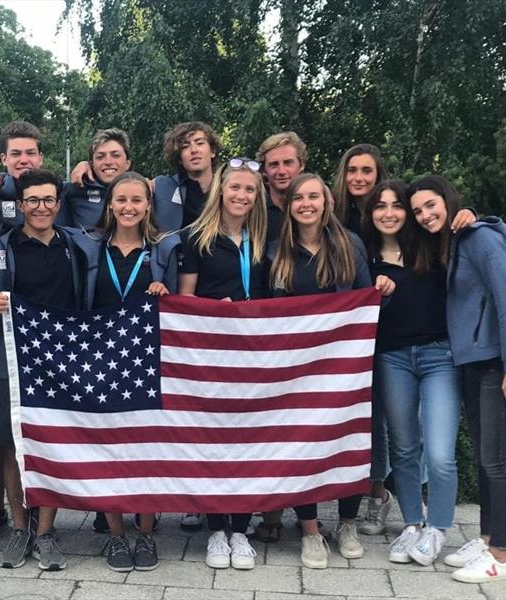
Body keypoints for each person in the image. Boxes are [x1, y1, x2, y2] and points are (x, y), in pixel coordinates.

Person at [265, 173, 395, 569]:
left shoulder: (349, 244)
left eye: (314, 196)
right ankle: (309, 530)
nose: (306, 203)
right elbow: (272, 316)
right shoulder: (278, 252)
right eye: (298, 198)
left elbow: (362, 306)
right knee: (303, 443)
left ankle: (348, 524)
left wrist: (381, 291)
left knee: (346, 442)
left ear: (326, 202)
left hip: (344, 366)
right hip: (298, 369)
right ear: (289, 206)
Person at [406, 175, 506, 584]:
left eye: (430, 205)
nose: (425, 215)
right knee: (483, 455)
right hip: (473, 362)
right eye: (418, 210)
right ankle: (487, 537)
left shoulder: (478, 238)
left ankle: (502, 555)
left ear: (448, 199)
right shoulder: (453, 242)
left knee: (496, 460)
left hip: (499, 363)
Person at [0, 168, 96, 571]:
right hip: (12, 359)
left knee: (52, 444)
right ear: (20, 205)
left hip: (62, 362)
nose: (41, 207)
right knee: (12, 444)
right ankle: (20, 527)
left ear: (58, 205)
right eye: (33, 200)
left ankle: (46, 531)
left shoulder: (75, 247)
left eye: (48, 200)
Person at [362, 180, 463, 566]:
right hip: (393, 358)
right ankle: (411, 523)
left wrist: (475, 218)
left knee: (439, 453)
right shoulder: (366, 257)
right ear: (370, 214)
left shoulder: (432, 245)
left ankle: (437, 527)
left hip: (440, 356)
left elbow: (494, 236)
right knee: (403, 448)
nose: (389, 212)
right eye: (380, 206)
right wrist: (379, 296)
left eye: (397, 205)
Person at [84, 171, 181, 572]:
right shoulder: (90, 247)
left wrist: (166, 296)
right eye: (120, 199)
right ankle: (117, 536)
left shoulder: (164, 250)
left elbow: (182, 307)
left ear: (148, 206)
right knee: (109, 451)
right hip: (102, 362)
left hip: (147, 363)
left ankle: (145, 533)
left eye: (136, 200)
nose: (128, 207)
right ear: (110, 204)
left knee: (147, 451)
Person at [178, 157, 267, 570]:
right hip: (211, 355)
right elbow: (186, 303)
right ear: (221, 191)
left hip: (255, 354)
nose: (241, 195)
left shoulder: (266, 237)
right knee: (212, 440)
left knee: (249, 441)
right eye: (235, 188)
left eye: (249, 190)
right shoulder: (197, 238)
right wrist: (218, 310)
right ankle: (216, 530)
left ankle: (241, 530)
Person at [152, 121, 221, 232]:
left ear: (212, 151)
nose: (194, 150)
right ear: (179, 158)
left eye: (200, 143)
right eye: (185, 146)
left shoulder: (227, 188)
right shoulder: (162, 187)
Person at [61, 128, 132, 229]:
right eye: (100, 157)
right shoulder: (74, 188)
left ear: (127, 163)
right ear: (92, 164)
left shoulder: (145, 190)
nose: (108, 161)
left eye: (115, 155)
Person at [0, 121, 45, 229]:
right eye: (16, 154)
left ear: (40, 158)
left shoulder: (61, 194)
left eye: (30, 153)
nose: (24, 160)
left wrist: (84, 164)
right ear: (4, 159)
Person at [256, 131, 307, 242]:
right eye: (274, 164)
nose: (281, 171)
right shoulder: (254, 210)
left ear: (301, 165)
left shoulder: (315, 207)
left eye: (288, 163)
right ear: (264, 170)